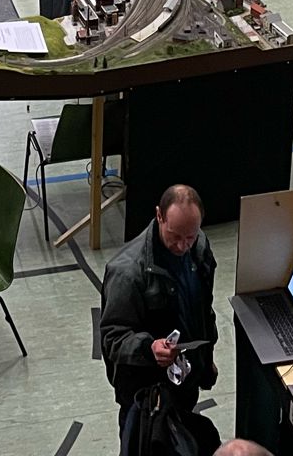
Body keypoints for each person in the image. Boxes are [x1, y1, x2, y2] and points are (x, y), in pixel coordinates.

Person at [101, 185, 220, 454]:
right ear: (159, 216)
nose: (182, 245)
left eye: (189, 236)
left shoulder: (199, 246)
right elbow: (112, 337)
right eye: (175, 236)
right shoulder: (128, 272)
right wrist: (148, 347)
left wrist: (205, 361)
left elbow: (203, 309)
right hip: (143, 396)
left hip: (183, 384)